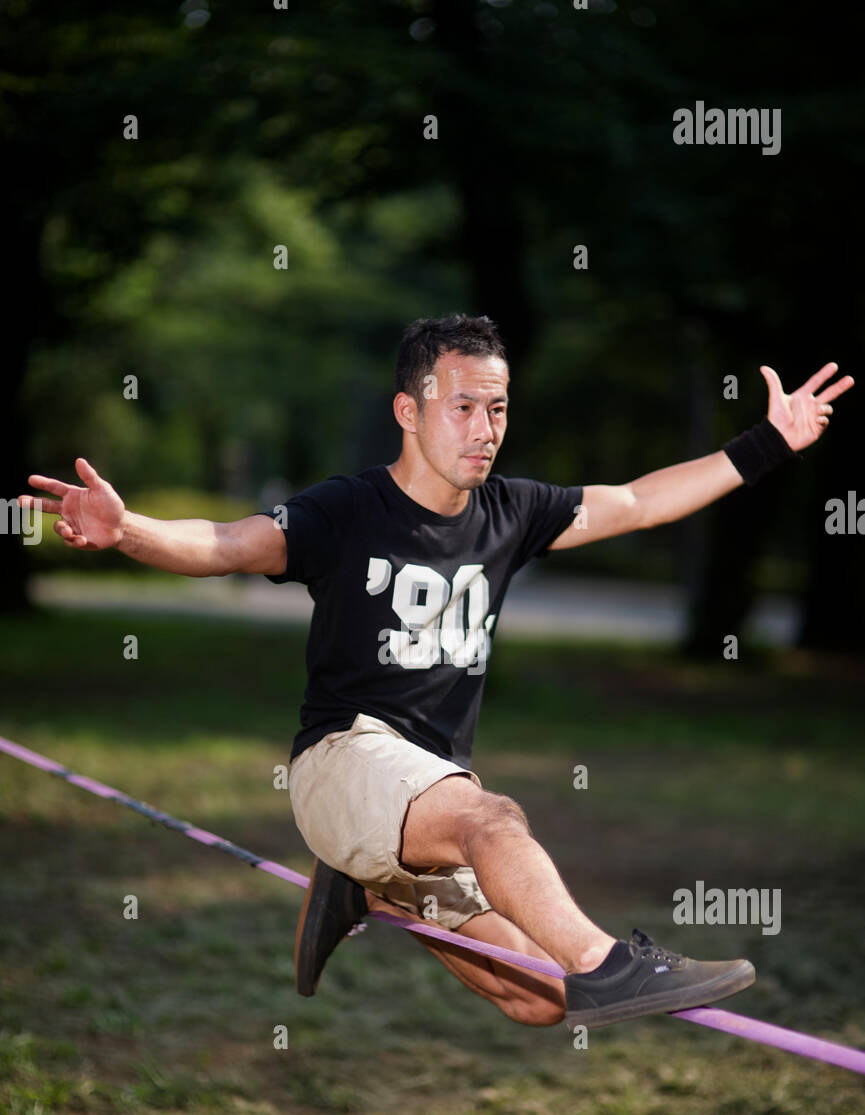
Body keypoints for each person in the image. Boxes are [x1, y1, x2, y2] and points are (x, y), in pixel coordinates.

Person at [19, 314, 853, 1033]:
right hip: (344, 762)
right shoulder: (345, 511)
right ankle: (613, 963)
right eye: (462, 407)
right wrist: (129, 531)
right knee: (492, 820)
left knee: (539, 999)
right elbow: (226, 543)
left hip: (424, 799)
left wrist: (768, 442)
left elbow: (638, 500)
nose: (484, 427)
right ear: (408, 411)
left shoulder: (512, 513)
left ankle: (369, 892)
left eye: (497, 408)